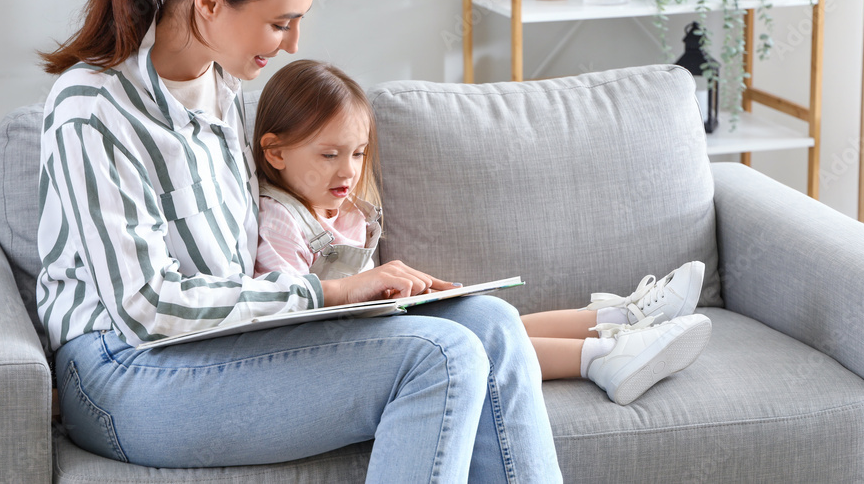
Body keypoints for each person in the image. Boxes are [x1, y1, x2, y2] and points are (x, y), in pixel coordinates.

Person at [35, 0, 563, 481]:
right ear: (209, 2)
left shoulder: (222, 88)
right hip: (122, 373)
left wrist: (360, 299)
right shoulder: (93, 109)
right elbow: (147, 307)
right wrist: (330, 292)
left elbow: (244, 266)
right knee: (442, 357)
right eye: (280, 22)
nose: (292, 44)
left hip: (222, 345)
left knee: (492, 324)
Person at [252, 59, 712, 407]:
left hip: (377, 330)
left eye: (357, 154)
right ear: (275, 153)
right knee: (482, 341)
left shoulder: (347, 207)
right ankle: (603, 355)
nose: (349, 171)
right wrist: (359, 294)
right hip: (337, 357)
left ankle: (622, 318)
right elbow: (290, 313)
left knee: (489, 315)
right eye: (330, 155)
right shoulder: (280, 220)